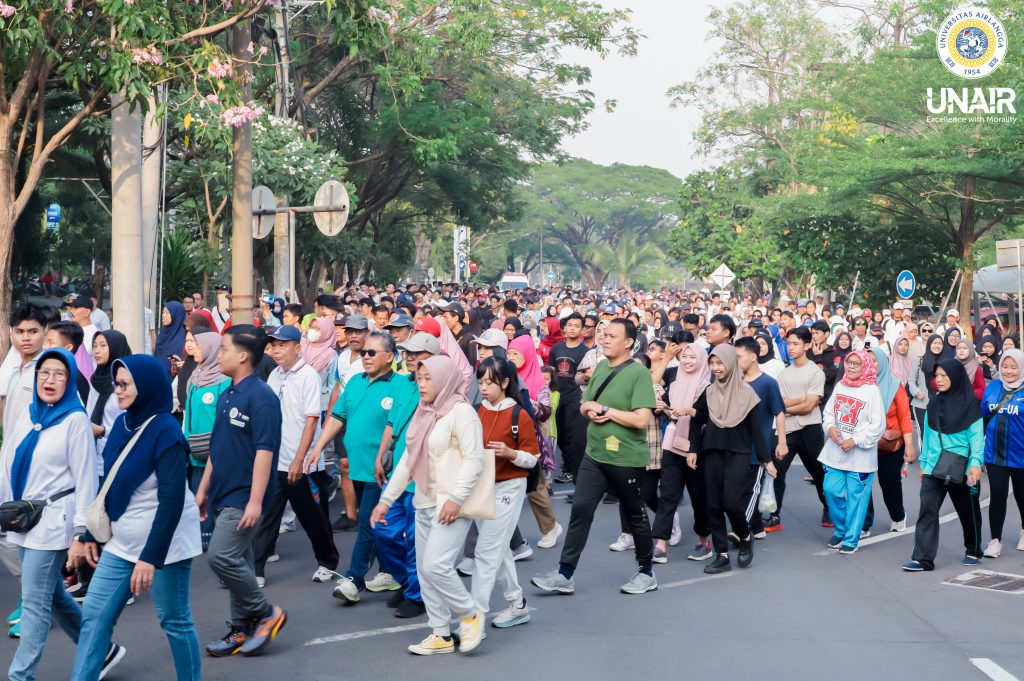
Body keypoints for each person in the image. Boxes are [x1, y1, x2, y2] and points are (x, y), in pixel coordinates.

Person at [67, 355, 202, 681]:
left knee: (174, 619)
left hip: (165, 545)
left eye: (126, 384)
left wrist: (149, 560)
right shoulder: (122, 424)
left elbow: (170, 501)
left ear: (147, 387)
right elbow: (110, 484)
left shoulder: (167, 430)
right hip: (122, 540)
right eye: (117, 384)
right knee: (94, 616)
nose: (119, 390)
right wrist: (89, 535)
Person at [0, 348, 111, 681]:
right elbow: (7, 459)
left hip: (52, 524)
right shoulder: (28, 414)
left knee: (34, 605)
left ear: (70, 380)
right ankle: (101, 649)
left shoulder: (75, 421)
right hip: (23, 518)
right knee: (55, 595)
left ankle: (21, 676)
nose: (50, 380)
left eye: (59, 374)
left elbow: (87, 481)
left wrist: (81, 533)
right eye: (44, 373)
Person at [369, 356, 489, 656]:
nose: (422, 385)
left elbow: (475, 461)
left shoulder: (461, 413)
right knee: (424, 570)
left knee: (436, 565)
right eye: (419, 379)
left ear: (445, 380)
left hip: (451, 504)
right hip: (423, 501)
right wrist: (386, 501)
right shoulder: (424, 413)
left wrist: (456, 499)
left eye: (428, 379)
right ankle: (441, 633)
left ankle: (469, 613)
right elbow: (409, 461)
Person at [531, 318, 659, 595]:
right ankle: (565, 574)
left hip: (626, 457)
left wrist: (604, 410)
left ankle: (646, 572)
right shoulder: (600, 367)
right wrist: (590, 410)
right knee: (580, 510)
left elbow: (641, 419)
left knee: (635, 514)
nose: (605, 339)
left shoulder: (638, 374)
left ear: (629, 342)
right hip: (595, 454)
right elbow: (583, 405)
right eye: (604, 334)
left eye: (613, 336)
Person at [195, 325, 287, 657]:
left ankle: (265, 613)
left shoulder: (261, 397)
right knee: (241, 564)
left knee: (220, 556)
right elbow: (218, 450)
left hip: (244, 496)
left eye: (224, 349)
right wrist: (203, 490)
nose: (219, 355)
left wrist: (255, 501)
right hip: (222, 492)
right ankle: (240, 628)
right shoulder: (228, 393)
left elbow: (265, 451)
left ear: (243, 355)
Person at [309, 332, 399, 604]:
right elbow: (337, 417)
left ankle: (354, 579)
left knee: (367, 523)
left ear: (390, 357)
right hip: (356, 470)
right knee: (377, 524)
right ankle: (389, 571)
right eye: (364, 353)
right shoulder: (355, 384)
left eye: (373, 353)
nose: (366, 357)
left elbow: (394, 427)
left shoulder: (400, 386)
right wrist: (318, 447)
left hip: (382, 471)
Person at [253, 326, 340, 587]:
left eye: (283, 344)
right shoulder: (275, 376)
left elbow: (312, 421)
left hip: (304, 465)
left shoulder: (308, 377)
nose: (276, 350)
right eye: (274, 345)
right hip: (276, 460)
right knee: (268, 514)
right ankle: (256, 568)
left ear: (297, 347)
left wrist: (298, 460)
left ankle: (327, 563)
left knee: (314, 517)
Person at [369, 332, 439, 619]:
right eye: (407, 353)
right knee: (383, 529)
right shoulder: (402, 384)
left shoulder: (438, 389)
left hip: (420, 476)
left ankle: (416, 593)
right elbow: (390, 424)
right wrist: (380, 455)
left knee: (414, 540)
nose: (409, 357)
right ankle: (408, 580)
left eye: (417, 353)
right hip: (397, 470)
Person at [688, 345, 773, 573]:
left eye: (720, 363)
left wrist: (767, 460)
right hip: (712, 452)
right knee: (713, 506)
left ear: (731, 363)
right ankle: (722, 555)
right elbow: (698, 420)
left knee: (731, 503)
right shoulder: (709, 392)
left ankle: (745, 536)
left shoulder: (747, 394)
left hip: (739, 453)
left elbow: (758, 431)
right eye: (712, 363)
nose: (716, 368)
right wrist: (692, 449)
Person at [471, 357, 539, 628]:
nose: (484, 387)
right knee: (496, 550)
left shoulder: (518, 414)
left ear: (506, 382)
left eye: (489, 382)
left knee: (486, 551)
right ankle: (517, 604)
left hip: (509, 487)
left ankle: (474, 617)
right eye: (480, 381)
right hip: (480, 487)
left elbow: (532, 458)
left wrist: (511, 454)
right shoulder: (478, 410)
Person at [903, 359, 985, 572]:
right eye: (937, 376)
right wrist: (924, 465)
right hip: (934, 466)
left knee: (968, 511)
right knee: (927, 510)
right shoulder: (934, 403)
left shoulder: (970, 405)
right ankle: (923, 559)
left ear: (956, 377)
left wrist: (975, 464)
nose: (938, 380)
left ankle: (973, 550)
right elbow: (928, 437)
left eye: (944, 376)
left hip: (963, 466)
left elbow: (976, 438)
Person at [819, 350, 886, 554]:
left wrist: (855, 440)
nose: (852, 367)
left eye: (857, 364)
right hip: (835, 453)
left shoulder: (872, 391)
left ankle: (851, 537)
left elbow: (878, 425)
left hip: (860, 457)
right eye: (849, 363)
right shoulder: (841, 385)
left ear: (865, 366)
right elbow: (829, 413)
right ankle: (840, 529)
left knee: (857, 498)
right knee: (831, 490)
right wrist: (829, 427)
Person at [652, 339, 713, 561]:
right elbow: (669, 409)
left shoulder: (707, 385)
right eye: (684, 357)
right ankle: (660, 543)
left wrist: (691, 411)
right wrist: (662, 408)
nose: (687, 361)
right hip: (673, 446)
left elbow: (708, 418)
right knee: (668, 495)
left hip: (696, 450)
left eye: (692, 357)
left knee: (699, 498)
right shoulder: (675, 382)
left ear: (702, 360)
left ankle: (704, 541)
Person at [768, 327, 829, 531]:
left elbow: (809, 406)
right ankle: (774, 515)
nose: (791, 348)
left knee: (818, 472)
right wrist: (798, 401)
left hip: (810, 429)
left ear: (807, 345)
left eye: (795, 344)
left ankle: (828, 508)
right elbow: (780, 404)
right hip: (786, 430)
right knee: (777, 472)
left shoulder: (815, 372)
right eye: (788, 344)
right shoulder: (784, 374)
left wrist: (789, 406)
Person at [182, 330, 228, 550]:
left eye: (198, 346)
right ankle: (202, 535)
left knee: (214, 492)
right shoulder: (195, 377)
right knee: (197, 490)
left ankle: (217, 540)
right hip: (194, 447)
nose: (194, 350)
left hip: (216, 448)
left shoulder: (223, 380)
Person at [980, 349, 1024, 559]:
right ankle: (995, 541)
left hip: (1021, 455)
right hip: (995, 454)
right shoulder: (993, 388)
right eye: (1005, 366)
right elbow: (982, 415)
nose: (1008, 371)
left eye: (1013, 367)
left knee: (1022, 496)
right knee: (997, 495)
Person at [549, 314, 590, 484]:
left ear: (582, 330)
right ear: (564, 328)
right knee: (560, 434)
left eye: (576, 325)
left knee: (574, 436)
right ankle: (568, 466)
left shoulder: (586, 352)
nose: (572, 328)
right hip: (558, 396)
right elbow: (550, 372)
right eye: (569, 325)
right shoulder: (556, 349)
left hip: (576, 397)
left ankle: (571, 470)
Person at [3, 303, 47, 429]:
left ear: (45, 331)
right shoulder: (15, 370)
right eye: (19, 332)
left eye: (33, 331)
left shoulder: (50, 371)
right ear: (11, 334)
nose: (26, 338)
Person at [154, 302, 187, 375]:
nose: (163, 316)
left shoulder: (184, 339)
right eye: (163, 313)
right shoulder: (162, 334)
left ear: (176, 315)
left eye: (167, 313)